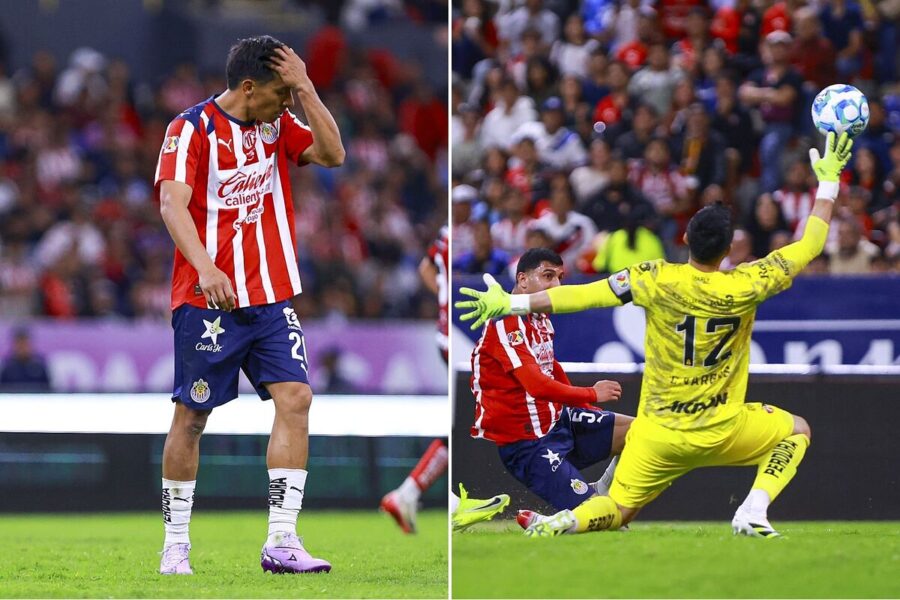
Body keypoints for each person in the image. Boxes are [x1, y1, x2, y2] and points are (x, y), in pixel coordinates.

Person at [457, 133, 853, 538]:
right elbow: (812, 242)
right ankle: (754, 508)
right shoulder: (752, 281)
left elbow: (585, 296)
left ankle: (563, 521)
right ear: (729, 248)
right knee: (797, 429)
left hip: (659, 432)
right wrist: (829, 181)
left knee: (616, 512)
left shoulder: (655, 278)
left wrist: (514, 303)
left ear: (685, 239)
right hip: (724, 426)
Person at [154, 36, 345, 575]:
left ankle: (282, 541)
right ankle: (176, 544)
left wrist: (306, 86)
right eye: (281, 93)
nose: (287, 104)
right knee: (192, 417)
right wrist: (206, 266)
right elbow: (172, 203)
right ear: (247, 87)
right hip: (207, 299)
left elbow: (333, 154)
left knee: (297, 398)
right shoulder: (189, 129)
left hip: (271, 296)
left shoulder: (277, 125)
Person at [466, 247, 634, 525]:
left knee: (640, 434)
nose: (556, 285)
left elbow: (550, 365)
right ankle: (550, 520)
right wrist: (592, 392)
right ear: (522, 280)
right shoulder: (505, 323)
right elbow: (537, 385)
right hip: (527, 446)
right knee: (604, 518)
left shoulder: (540, 317)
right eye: (547, 276)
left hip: (559, 422)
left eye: (559, 277)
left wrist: (584, 407)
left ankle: (599, 490)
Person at [381, 226, 507, 533]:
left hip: (448, 336)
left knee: (469, 415)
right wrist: (447, 300)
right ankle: (442, 502)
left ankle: (407, 494)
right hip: (460, 339)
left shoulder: (445, 232)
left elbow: (427, 266)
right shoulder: (457, 231)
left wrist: (443, 299)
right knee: (473, 413)